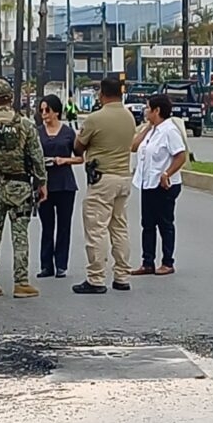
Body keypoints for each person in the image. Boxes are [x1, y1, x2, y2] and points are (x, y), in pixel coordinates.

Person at [0, 77, 45, 299]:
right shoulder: (24, 124)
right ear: (11, 98)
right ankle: (21, 282)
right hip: (19, 185)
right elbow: (36, 156)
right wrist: (41, 182)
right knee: (20, 234)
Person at [72, 74, 136, 294]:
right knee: (119, 228)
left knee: (96, 228)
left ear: (101, 93)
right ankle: (122, 276)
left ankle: (96, 278)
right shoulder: (129, 117)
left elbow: (78, 148)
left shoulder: (95, 118)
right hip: (123, 177)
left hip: (102, 179)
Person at [131, 94, 188, 276]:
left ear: (157, 110)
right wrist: (148, 126)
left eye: (148, 108)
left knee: (165, 223)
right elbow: (133, 146)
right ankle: (147, 262)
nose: (145, 111)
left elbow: (180, 156)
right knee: (147, 224)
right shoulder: (153, 130)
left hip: (164, 185)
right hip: (147, 183)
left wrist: (167, 173)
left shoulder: (170, 130)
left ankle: (167, 262)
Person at [35, 94, 79, 279]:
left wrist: (64, 160)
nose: (44, 114)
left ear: (57, 112)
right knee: (47, 226)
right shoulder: (37, 132)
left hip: (65, 184)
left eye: (48, 110)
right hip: (44, 184)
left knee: (64, 225)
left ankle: (61, 264)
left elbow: (81, 157)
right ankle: (46, 265)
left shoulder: (68, 132)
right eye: (42, 110)